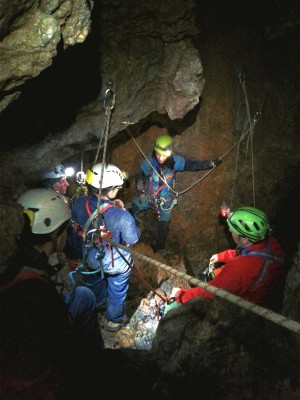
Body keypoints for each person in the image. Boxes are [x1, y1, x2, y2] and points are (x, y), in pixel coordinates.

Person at [0, 188, 104, 399]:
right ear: (57, 233)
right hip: (36, 380)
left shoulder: (18, 256)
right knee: (85, 297)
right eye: (66, 228)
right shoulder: (35, 294)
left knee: (84, 294)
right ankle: (96, 361)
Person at [169, 207, 286, 312]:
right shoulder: (271, 243)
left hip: (248, 310)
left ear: (244, 239)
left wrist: (180, 295)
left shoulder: (239, 269)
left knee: (214, 280)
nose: (230, 230)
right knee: (217, 273)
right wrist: (222, 256)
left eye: (233, 230)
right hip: (265, 291)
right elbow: (251, 255)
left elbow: (209, 292)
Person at [71, 163, 140, 332]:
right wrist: (123, 211)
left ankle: (98, 303)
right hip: (113, 261)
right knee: (119, 280)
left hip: (90, 257)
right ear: (111, 190)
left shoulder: (79, 203)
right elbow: (133, 238)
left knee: (94, 276)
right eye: (117, 187)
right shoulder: (122, 215)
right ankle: (114, 320)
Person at [131, 133, 221, 256]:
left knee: (164, 226)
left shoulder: (175, 162)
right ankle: (131, 230)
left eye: (164, 155)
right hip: (147, 197)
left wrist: (210, 163)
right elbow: (140, 174)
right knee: (131, 208)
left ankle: (158, 249)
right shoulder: (149, 163)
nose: (161, 158)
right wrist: (140, 190)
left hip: (164, 202)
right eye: (158, 154)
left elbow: (193, 165)